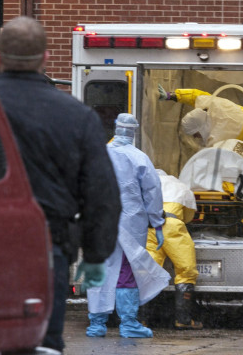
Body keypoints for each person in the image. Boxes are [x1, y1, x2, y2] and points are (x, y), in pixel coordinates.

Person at [0, 16, 122, 355]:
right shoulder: (77, 117)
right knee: (42, 342)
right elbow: (102, 194)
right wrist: (95, 256)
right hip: (47, 246)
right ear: (46, 58)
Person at [85, 113, 171, 338]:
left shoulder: (97, 155)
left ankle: (97, 324)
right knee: (126, 272)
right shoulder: (139, 158)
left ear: (115, 128)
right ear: (134, 131)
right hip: (130, 225)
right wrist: (158, 223)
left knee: (99, 270)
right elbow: (153, 194)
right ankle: (129, 323)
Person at [145, 170, 203, 330]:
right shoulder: (180, 186)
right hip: (172, 226)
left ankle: (141, 319)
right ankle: (183, 319)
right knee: (186, 271)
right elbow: (189, 216)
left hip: (150, 227)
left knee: (147, 273)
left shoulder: (146, 185)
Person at [158, 86, 243, 160]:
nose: (196, 138)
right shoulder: (209, 106)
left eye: (195, 134)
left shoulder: (217, 137)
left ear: (200, 128)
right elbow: (194, 96)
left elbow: (211, 158)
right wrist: (171, 95)